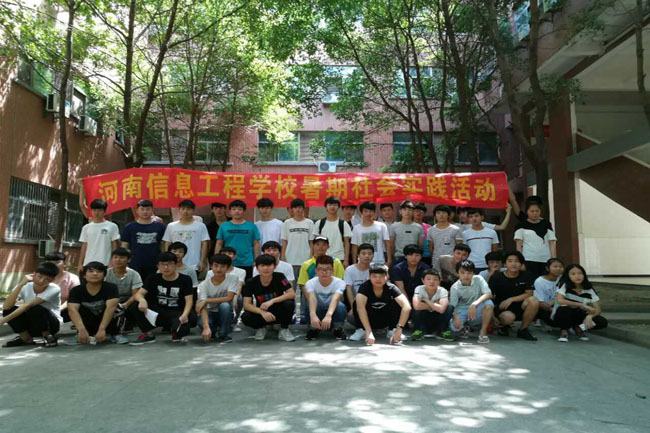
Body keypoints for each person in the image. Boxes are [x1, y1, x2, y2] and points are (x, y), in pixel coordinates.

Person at [129, 252, 196, 344]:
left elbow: (189, 301)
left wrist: (184, 315)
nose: (166, 267)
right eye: (162, 264)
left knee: (183, 328)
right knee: (135, 305)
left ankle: (175, 331)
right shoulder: (153, 278)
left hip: (177, 312)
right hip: (158, 312)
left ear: (175, 265)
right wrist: (142, 300)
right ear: (158, 266)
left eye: (169, 264)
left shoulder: (185, 279)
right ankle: (148, 334)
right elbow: (139, 294)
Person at [1, 262, 61, 348]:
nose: (41, 281)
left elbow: (29, 305)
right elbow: (7, 306)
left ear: (52, 280)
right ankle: (25, 338)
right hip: (32, 325)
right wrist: (21, 284)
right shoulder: (26, 286)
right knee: (9, 310)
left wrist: (3, 321)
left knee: (35, 308)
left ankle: (48, 336)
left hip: (51, 325)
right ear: (34, 274)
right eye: (39, 277)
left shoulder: (54, 289)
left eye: (47, 279)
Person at [350, 264, 411, 345]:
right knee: (357, 302)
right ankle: (362, 330)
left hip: (385, 319)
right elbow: (360, 308)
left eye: (381, 276)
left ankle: (392, 329)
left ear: (387, 276)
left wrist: (399, 329)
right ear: (369, 277)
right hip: (369, 318)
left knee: (397, 301)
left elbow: (407, 306)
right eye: (374, 276)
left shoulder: (391, 288)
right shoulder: (364, 288)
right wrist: (368, 331)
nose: (378, 279)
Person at [241, 254, 296, 342]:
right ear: (257, 267)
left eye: (269, 265)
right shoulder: (250, 282)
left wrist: (272, 301)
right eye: (262, 265)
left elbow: (291, 294)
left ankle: (284, 329)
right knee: (245, 316)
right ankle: (261, 328)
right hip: (262, 312)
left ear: (274, 266)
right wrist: (262, 312)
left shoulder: (280, 277)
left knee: (289, 303)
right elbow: (246, 305)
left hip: (278, 311)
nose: (266, 268)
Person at [488, 251, 539, 341]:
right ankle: (503, 327)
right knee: (508, 317)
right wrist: (492, 316)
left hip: (521, 306)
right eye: (510, 261)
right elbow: (489, 296)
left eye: (517, 261)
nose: (513, 264)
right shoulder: (496, 277)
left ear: (521, 264)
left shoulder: (527, 275)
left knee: (534, 300)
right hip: (503, 307)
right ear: (505, 264)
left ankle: (523, 329)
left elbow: (529, 293)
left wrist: (511, 299)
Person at [67, 262, 120, 345]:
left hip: (106, 321)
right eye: (91, 271)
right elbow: (72, 310)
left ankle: (114, 334)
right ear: (84, 275)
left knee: (117, 309)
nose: (95, 274)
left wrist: (102, 329)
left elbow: (111, 308)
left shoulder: (111, 287)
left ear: (104, 275)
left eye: (99, 271)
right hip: (87, 321)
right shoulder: (76, 290)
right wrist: (81, 330)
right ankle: (82, 334)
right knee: (76, 309)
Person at [552, 264, 608, 343]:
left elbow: (598, 310)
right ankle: (564, 331)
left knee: (601, 321)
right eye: (573, 274)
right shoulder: (564, 285)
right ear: (568, 276)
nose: (577, 276)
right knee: (564, 309)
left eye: (580, 273)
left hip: (578, 314)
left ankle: (579, 328)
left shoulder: (589, 289)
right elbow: (560, 300)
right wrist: (581, 304)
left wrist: (589, 316)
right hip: (561, 315)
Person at [297, 235, 345, 323]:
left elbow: (339, 283)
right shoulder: (306, 264)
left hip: (331, 298)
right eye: (317, 244)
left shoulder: (336, 262)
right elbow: (303, 285)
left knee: (341, 307)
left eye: (323, 244)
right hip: (314, 298)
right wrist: (312, 301)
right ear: (313, 246)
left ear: (328, 246)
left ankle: (336, 326)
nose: (320, 247)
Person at [196, 254, 239, 343]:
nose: (219, 269)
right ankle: (212, 330)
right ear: (211, 266)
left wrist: (207, 300)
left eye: (222, 266)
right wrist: (206, 327)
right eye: (216, 266)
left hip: (225, 312)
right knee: (201, 324)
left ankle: (223, 334)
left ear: (228, 268)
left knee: (225, 305)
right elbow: (202, 307)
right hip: (209, 312)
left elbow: (229, 297)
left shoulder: (233, 278)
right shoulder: (203, 285)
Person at [448, 260, 494, 344]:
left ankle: (483, 332)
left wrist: (474, 304)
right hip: (462, 310)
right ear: (458, 273)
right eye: (462, 273)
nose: (466, 276)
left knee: (489, 303)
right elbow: (452, 306)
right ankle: (464, 327)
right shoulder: (455, 287)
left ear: (473, 273)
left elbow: (488, 294)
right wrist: (455, 317)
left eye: (469, 273)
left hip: (476, 308)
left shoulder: (479, 279)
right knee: (454, 327)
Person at [120, 199, 166, 282]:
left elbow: (163, 245)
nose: (145, 212)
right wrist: (124, 262)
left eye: (148, 209)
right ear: (137, 211)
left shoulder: (160, 227)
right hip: (135, 263)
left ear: (152, 210)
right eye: (142, 209)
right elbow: (124, 246)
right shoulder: (129, 227)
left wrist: (163, 261)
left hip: (155, 263)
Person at [104, 248, 143, 343]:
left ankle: (127, 325)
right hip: (110, 300)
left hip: (127, 301)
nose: (118, 260)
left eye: (121, 257)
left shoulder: (134, 274)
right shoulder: (106, 273)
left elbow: (135, 294)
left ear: (128, 259)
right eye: (115, 257)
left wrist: (125, 304)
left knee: (136, 304)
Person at [215, 199, 261, 280]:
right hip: (228, 262)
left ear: (244, 211)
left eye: (240, 209)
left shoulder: (252, 226)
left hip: (247, 262)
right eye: (234, 209)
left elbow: (256, 244)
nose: (237, 211)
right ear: (230, 212)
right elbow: (219, 243)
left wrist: (257, 260)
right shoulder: (224, 226)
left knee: (246, 285)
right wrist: (217, 259)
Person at [304, 256, 348, 340]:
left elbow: (336, 298)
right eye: (320, 269)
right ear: (316, 271)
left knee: (341, 306)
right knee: (308, 303)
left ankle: (337, 328)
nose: (324, 272)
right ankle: (313, 328)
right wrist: (313, 315)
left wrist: (328, 315)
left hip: (332, 309)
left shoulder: (340, 282)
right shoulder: (310, 283)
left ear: (333, 270)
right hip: (318, 308)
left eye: (328, 269)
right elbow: (312, 298)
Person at [162, 199, 210, 274]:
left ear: (193, 210)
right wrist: (167, 260)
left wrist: (202, 261)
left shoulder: (200, 226)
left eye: (188, 209)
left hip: (194, 264)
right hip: (175, 264)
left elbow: (204, 244)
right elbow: (167, 243)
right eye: (183, 209)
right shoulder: (171, 226)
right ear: (179, 210)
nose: (185, 211)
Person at [514, 201, 557, 278]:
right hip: (529, 259)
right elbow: (518, 245)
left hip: (545, 259)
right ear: (527, 212)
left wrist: (554, 260)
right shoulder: (521, 225)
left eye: (537, 211)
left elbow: (552, 242)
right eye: (532, 211)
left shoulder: (546, 224)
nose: (535, 213)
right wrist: (521, 262)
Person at [77, 198, 120, 272]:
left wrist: (112, 262)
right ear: (91, 211)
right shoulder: (86, 227)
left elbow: (115, 245)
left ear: (105, 211)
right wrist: (80, 263)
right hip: (88, 263)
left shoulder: (112, 226)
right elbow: (84, 246)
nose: (96, 213)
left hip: (105, 263)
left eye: (100, 210)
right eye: (94, 210)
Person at [410, 269, 453, 341]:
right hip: (424, 318)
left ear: (439, 281)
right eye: (428, 279)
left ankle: (442, 331)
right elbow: (416, 306)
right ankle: (418, 330)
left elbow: (442, 309)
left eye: (435, 279)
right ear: (423, 280)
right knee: (414, 307)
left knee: (449, 307)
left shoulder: (442, 290)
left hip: (437, 318)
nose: (432, 282)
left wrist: (426, 300)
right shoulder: (419, 289)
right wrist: (436, 304)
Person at [313, 197, 352, 267]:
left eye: (335, 205)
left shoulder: (343, 224)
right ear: (326, 207)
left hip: (339, 258)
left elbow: (347, 243)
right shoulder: (319, 223)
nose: (332, 207)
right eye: (330, 205)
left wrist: (346, 260)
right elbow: (315, 243)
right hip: (323, 258)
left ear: (338, 207)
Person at [44, 251, 80, 323]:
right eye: (50, 263)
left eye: (57, 262)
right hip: (44, 308)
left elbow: (73, 299)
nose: (53, 265)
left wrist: (58, 309)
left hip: (64, 309)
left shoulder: (73, 278)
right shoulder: (41, 277)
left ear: (64, 263)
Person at [351, 201, 391, 266]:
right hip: (362, 262)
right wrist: (354, 262)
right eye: (365, 211)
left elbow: (387, 243)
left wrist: (389, 260)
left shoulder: (381, 226)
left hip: (379, 261)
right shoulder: (356, 228)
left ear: (374, 212)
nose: (368, 213)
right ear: (361, 212)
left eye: (371, 211)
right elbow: (354, 246)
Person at [281, 198, 314, 277]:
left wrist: (311, 257)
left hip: (306, 259)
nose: (298, 210)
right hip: (290, 258)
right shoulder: (287, 223)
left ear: (303, 208)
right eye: (295, 207)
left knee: (305, 282)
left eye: (300, 207)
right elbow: (284, 241)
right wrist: (283, 256)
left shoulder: (309, 222)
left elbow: (311, 242)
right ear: (292, 209)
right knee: (291, 282)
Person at [461, 208, 499, 273]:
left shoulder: (492, 232)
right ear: (468, 219)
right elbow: (464, 252)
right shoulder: (465, 234)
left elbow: (495, 251)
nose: (474, 218)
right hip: (471, 266)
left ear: (482, 217)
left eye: (476, 216)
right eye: (471, 217)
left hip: (488, 265)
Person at [427, 205, 462, 270]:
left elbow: (460, 247)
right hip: (436, 261)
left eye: (444, 213)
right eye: (438, 213)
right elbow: (431, 247)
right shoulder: (430, 230)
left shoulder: (455, 229)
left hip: (452, 261)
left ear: (448, 215)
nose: (441, 215)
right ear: (435, 215)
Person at [344, 243, 373, 320]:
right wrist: (353, 307)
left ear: (373, 256)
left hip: (372, 302)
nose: (367, 256)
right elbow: (349, 289)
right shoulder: (350, 270)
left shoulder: (375, 268)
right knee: (352, 317)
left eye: (369, 254)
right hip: (356, 301)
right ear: (358, 255)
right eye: (363, 253)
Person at [533, 258, 564, 326]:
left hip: (559, 305)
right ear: (547, 268)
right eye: (555, 266)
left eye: (560, 267)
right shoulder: (539, 281)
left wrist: (554, 302)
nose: (558, 269)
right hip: (545, 308)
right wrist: (553, 310)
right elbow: (540, 303)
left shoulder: (563, 279)